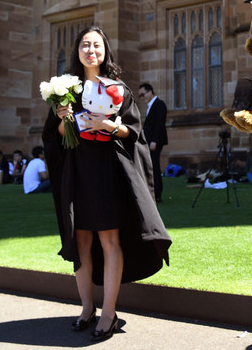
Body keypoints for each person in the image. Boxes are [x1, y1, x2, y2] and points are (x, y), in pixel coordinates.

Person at [43, 26, 171, 342]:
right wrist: (63, 120)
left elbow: (135, 133)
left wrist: (111, 126)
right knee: (81, 241)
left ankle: (109, 312)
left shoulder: (119, 89)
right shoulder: (66, 91)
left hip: (106, 172)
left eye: (96, 45)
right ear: (77, 51)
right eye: (85, 45)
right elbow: (54, 138)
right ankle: (86, 308)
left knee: (108, 239)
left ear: (105, 51)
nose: (91, 50)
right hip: (77, 171)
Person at [139, 83, 168, 203]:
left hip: (155, 142)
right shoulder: (151, 106)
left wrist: (154, 141)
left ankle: (157, 194)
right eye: (140, 95)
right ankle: (153, 192)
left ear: (150, 91)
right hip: (150, 142)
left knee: (154, 167)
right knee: (151, 166)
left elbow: (159, 124)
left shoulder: (159, 104)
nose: (142, 97)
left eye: (143, 94)